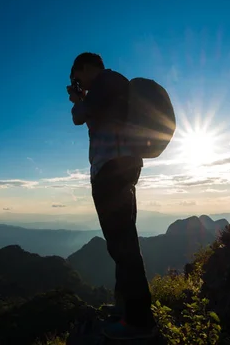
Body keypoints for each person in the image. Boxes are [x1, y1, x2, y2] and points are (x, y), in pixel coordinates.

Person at [66, 52, 158, 340]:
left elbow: (79, 117)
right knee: (122, 242)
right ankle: (126, 308)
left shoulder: (106, 81)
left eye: (76, 77)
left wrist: (78, 100)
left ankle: (138, 322)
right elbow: (93, 120)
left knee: (122, 245)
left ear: (84, 68)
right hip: (121, 165)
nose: (77, 83)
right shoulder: (113, 87)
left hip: (112, 168)